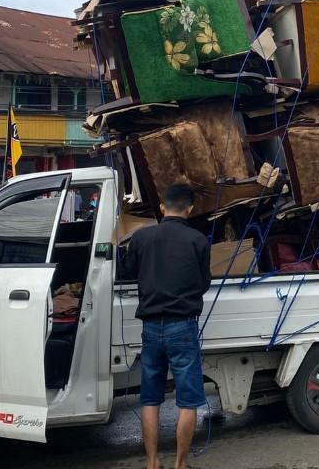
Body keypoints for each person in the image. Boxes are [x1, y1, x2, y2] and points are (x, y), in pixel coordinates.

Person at [119, 184, 211, 469]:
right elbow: (203, 283)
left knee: (150, 398)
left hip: (150, 328)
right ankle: (180, 465)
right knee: (188, 401)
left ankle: (152, 462)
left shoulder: (141, 237)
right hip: (182, 326)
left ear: (162, 207)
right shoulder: (198, 241)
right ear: (190, 209)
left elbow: (127, 272)